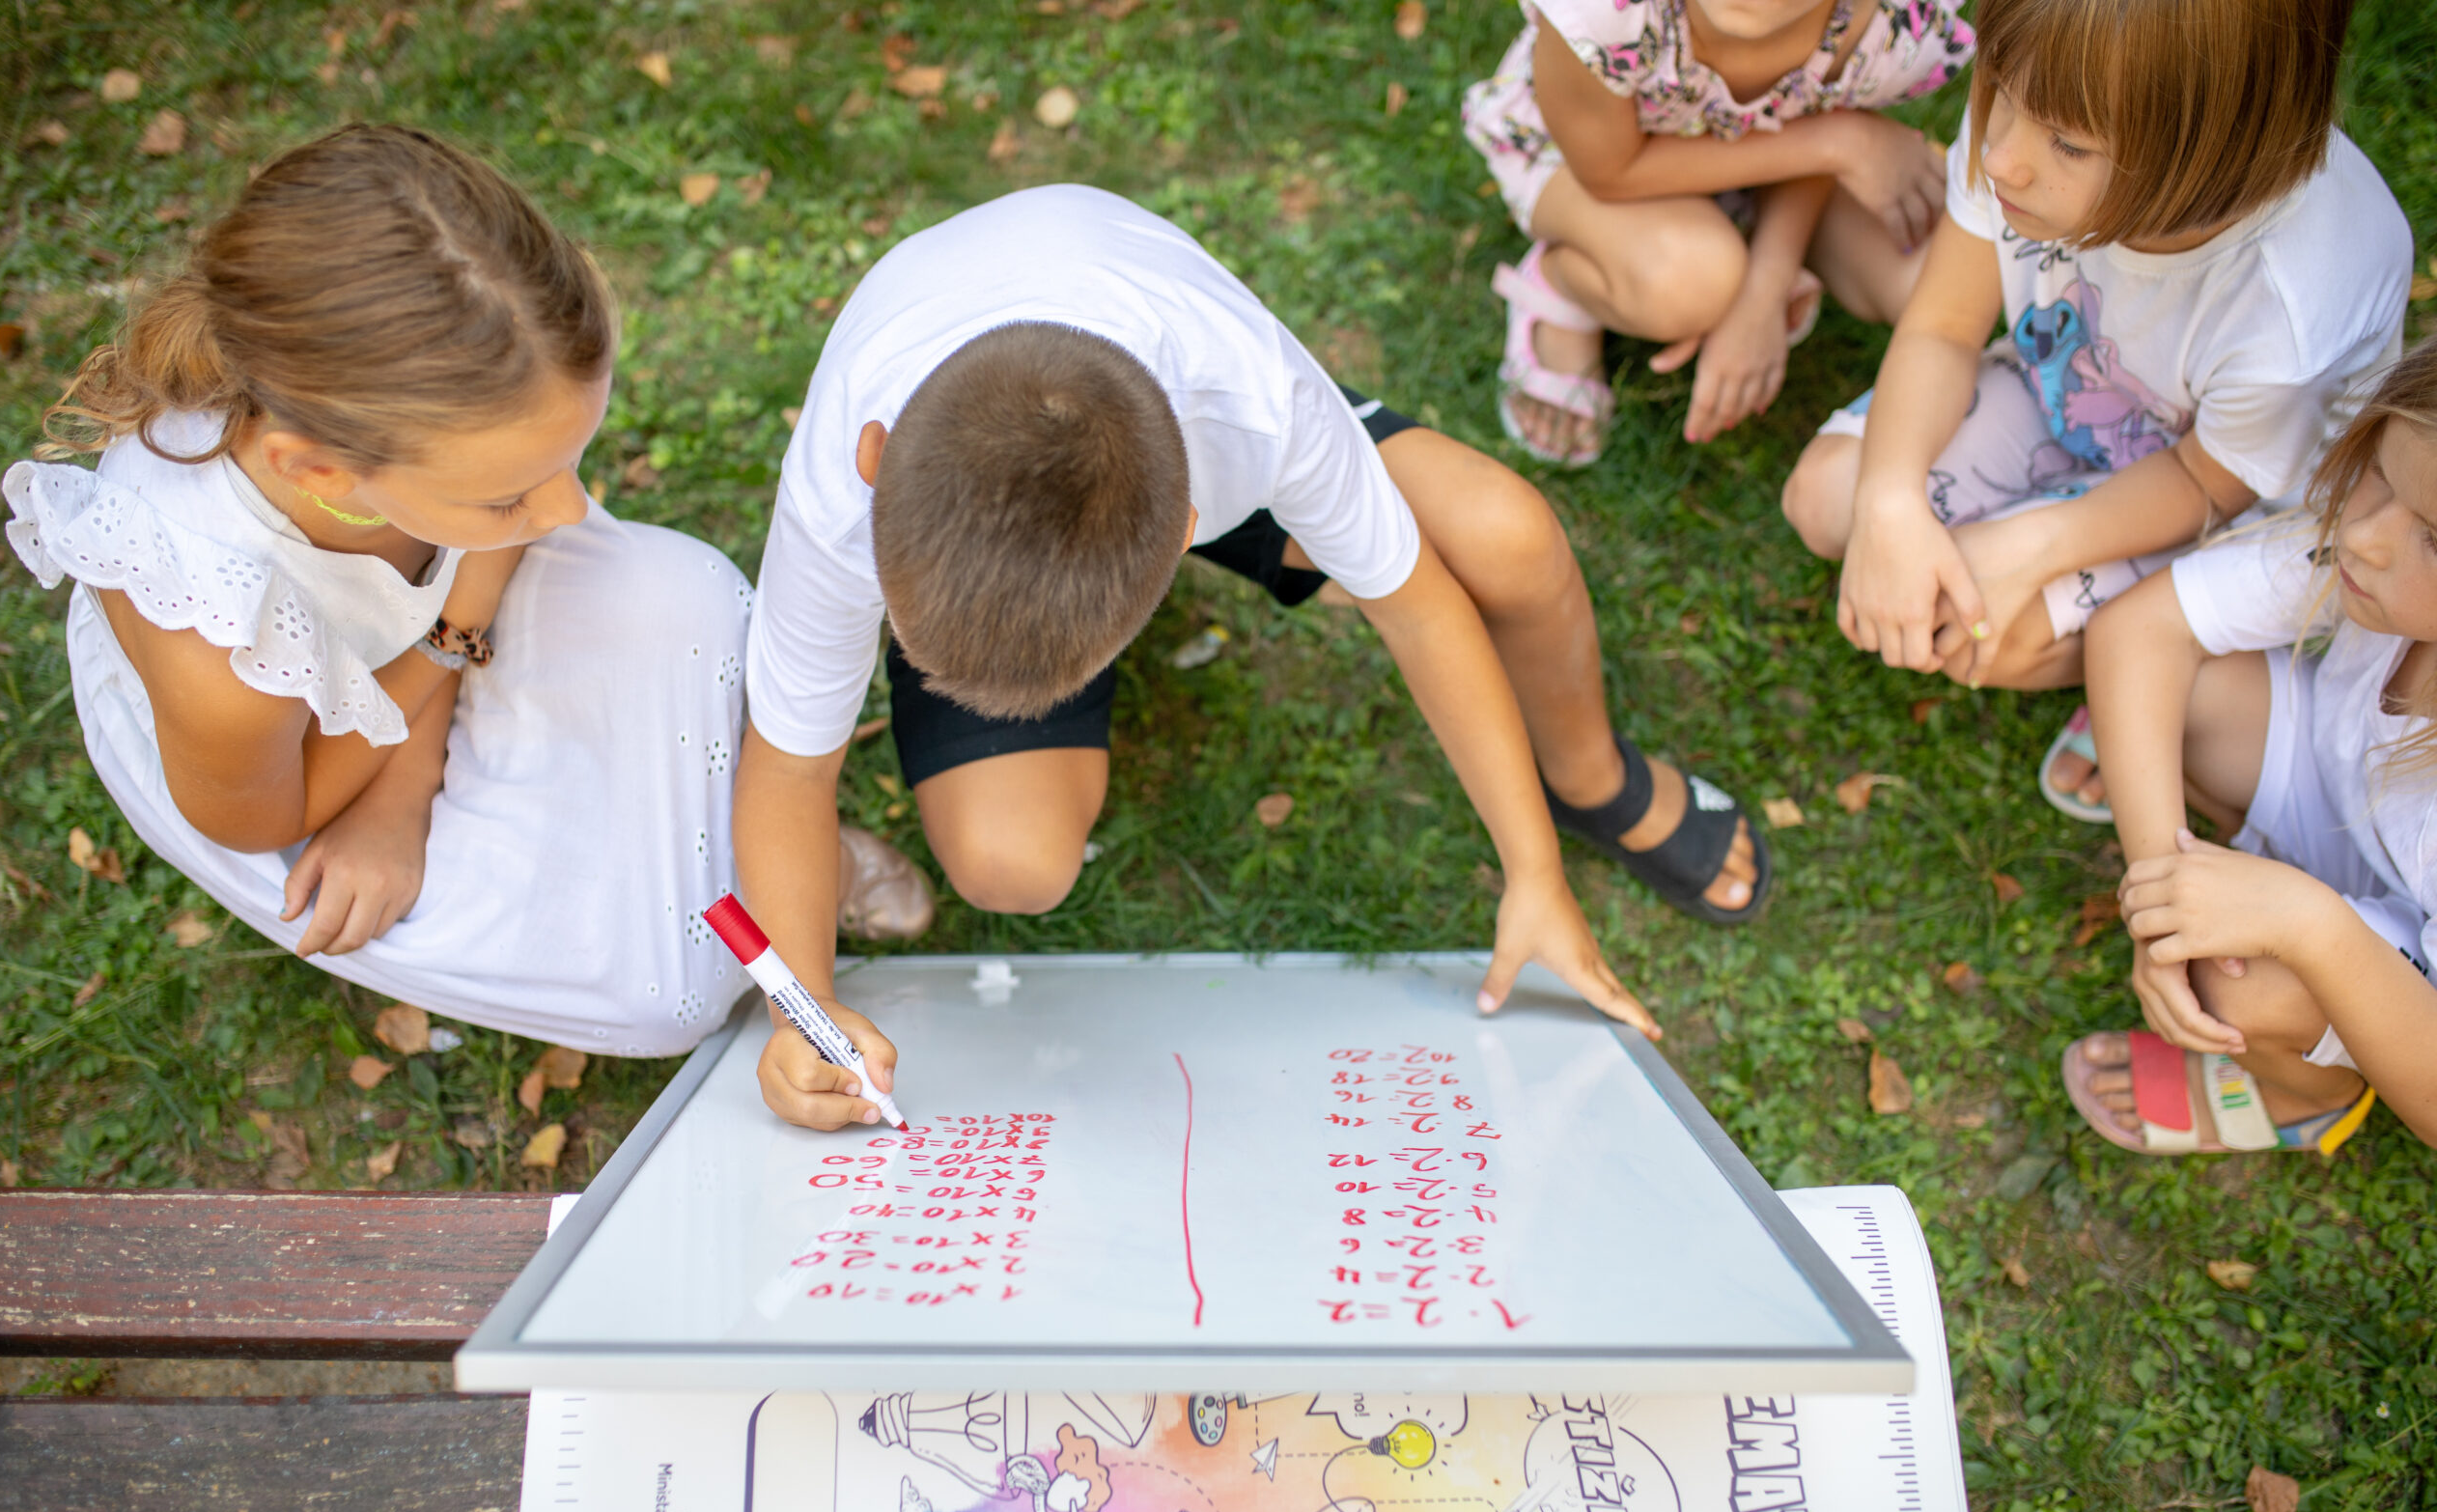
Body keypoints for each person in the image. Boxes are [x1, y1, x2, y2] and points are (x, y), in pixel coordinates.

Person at [734, 185, 1773, 1129]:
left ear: (1185, 533)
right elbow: (788, 769)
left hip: (1187, 418)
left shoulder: (1260, 406)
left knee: (1510, 539)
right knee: (1012, 862)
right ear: (873, 467)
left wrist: (1533, 868)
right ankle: (1064, 596)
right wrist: (801, 1010)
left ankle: (1589, 776)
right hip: (1055, 457)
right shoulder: (839, 490)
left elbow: (1420, 611)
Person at [1, 123, 928, 1060]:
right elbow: (262, 818)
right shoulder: (218, 646)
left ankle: (758, 851)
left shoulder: (474, 385)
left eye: (569, 458)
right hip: (301, 770)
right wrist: (402, 772)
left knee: (688, 597)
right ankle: (736, 861)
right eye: (511, 493)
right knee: (666, 992)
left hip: (427, 651)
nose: (569, 512)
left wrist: (425, 727)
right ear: (320, 473)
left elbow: (486, 567)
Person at [1781, 0, 2406, 819]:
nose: (2000, 157)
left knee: (1985, 632)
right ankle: (2114, 639)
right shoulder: (2043, 101)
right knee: (1831, 499)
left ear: (2207, 160)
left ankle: (2154, 664)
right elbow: (1942, 325)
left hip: (2231, 506)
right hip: (2064, 397)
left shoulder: (2291, 309)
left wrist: (2030, 547)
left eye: (2069, 145)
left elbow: (2205, 483)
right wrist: (1890, 500)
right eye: (2002, 90)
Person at [2062, 339, 2437, 1157]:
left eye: (2435, 540)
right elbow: (2140, 629)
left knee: (2238, 986)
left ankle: (2313, 1090)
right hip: (2345, 803)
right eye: (2380, 473)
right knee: (2184, 690)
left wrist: (2310, 926)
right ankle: (2253, 873)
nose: (2364, 536)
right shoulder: (2366, 545)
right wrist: (2160, 911)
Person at [1461, 0, 1974, 462]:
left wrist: (1763, 288)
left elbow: (1814, 109)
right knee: (1691, 278)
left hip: (1770, 151)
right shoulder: (1605, 13)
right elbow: (1609, 171)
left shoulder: (1878, 21)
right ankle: (1563, 281)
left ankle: (1962, 437)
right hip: (1587, 162)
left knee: (1937, 276)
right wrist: (1844, 143)